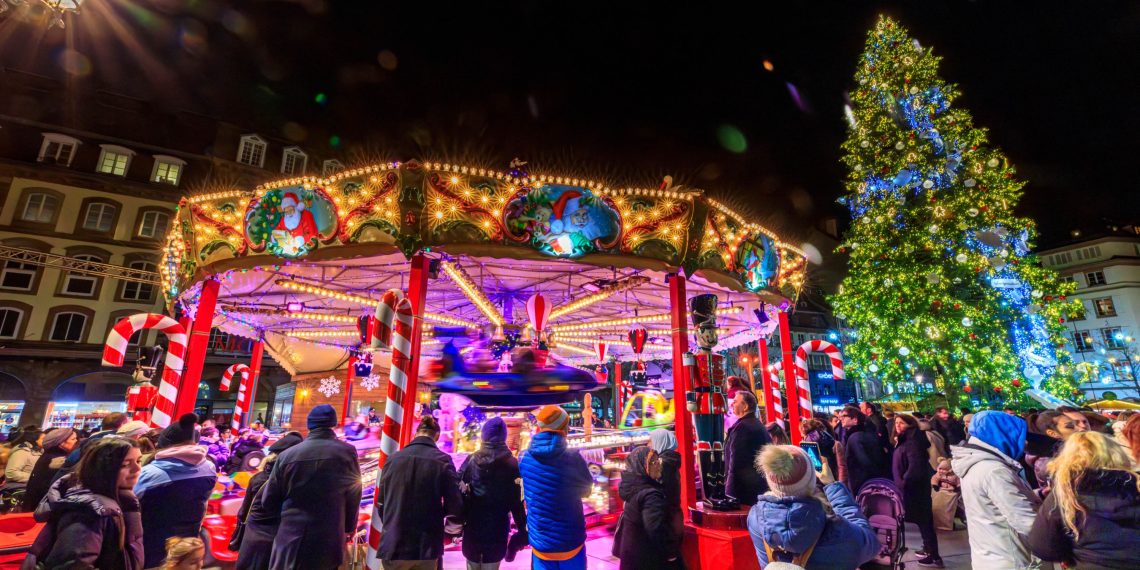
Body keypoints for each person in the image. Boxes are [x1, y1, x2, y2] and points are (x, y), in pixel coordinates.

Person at [260, 404, 362, 570]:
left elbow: (269, 500)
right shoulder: (347, 452)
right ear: (333, 424)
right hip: (329, 536)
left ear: (309, 425)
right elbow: (354, 494)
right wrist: (348, 527)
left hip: (291, 536)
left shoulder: (287, 456)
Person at [747, 445, 879, 569]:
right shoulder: (836, 530)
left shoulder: (756, 517)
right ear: (811, 481)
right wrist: (832, 486)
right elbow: (870, 542)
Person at [25, 437, 144, 569]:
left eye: (139, 460)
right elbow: (71, 565)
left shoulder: (118, 499)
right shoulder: (89, 510)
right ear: (103, 467)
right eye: (125, 464)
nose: (137, 468)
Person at [1028, 431, 1140, 569]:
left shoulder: (1066, 495)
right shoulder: (1135, 485)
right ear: (1118, 454)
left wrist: (1072, 554)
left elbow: (1044, 548)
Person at [952, 410, 1042, 569]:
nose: (1024, 443)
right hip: (1011, 559)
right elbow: (1026, 521)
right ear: (1002, 434)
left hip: (990, 556)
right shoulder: (994, 471)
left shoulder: (976, 463)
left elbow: (996, 503)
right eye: (1019, 435)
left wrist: (1038, 494)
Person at [374, 415, 463, 569]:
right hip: (425, 545)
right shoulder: (443, 461)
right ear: (436, 437)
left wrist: (392, 524)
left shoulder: (393, 459)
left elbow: (381, 502)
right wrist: (450, 530)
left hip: (394, 544)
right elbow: (454, 504)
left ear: (416, 434)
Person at [134, 413, 218, 568]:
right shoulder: (209, 468)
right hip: (188, 542)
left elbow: (131, 506)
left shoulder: (150, 474)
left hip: (152, 545)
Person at [519, 405, 594, 569]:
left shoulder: (524, 457)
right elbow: (587, 490)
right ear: (563, 427)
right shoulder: (573, 456)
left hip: (540, 543)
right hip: (570, 542)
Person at [458, 417, 526, 570]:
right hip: (498, 527)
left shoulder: (472, 459)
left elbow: (457, 483)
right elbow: (517, 501)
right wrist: (522, 529)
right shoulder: (512, 463)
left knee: (472, 565)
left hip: (473, 524)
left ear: (484, 435)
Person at [234, 431, 304, 570]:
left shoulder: (257, 478)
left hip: (252, 539)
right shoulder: (295, 482)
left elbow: (243, 512)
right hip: (278, 542)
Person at [615, 446, 682, 569]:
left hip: (631, 556)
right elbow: (655, 528)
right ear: (642, 467)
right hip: (646, 558)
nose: (658, 465)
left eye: (658, 460)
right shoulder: (650, 495)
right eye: (652, 462)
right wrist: (670, 552)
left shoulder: (634, 488)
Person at [891, 414, 941, 567]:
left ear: (910, 425)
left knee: (924, 521)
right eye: (896, 423)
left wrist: (904, 482)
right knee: (922, 521)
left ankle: (934, 555)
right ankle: (928, 549)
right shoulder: (907, 439)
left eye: (902, 423)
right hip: (912, 487)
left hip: (915, 488)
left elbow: (915, 466)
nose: (898, 426)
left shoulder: (912, 442)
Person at [725, 391, 772, 505]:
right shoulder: (755, 424)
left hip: (745, 492)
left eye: (735, 402)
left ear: (745, 406)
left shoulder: (743, 427)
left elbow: (736, 462)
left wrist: (729, 492)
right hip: (756, 487)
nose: (732, 404)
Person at [22, 427, 78, 511]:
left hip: (36, 506)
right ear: (61, 443)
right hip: (43, 509)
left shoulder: (49, 455)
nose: (76, 441)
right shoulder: (58, 460)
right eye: (73, 439)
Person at [837, 405, 888, 494]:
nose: (841, 419)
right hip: (870, 481)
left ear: (855, 420)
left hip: (861, 483)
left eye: (844, 416)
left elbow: (864, 462)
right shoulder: (864, 433)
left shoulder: (855, 437)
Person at [930, 458, 962, 531]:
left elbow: (958, 482)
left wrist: (958, 487)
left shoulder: (955, 475)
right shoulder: (939, 474)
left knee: (949, 511)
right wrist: (935, 485)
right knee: (938, 508)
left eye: (944, 469)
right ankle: (937, 523)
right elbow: (934, 479)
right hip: (940, 491)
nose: (941, 471)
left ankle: (947, 524)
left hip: (951, 493)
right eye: (940, 469)